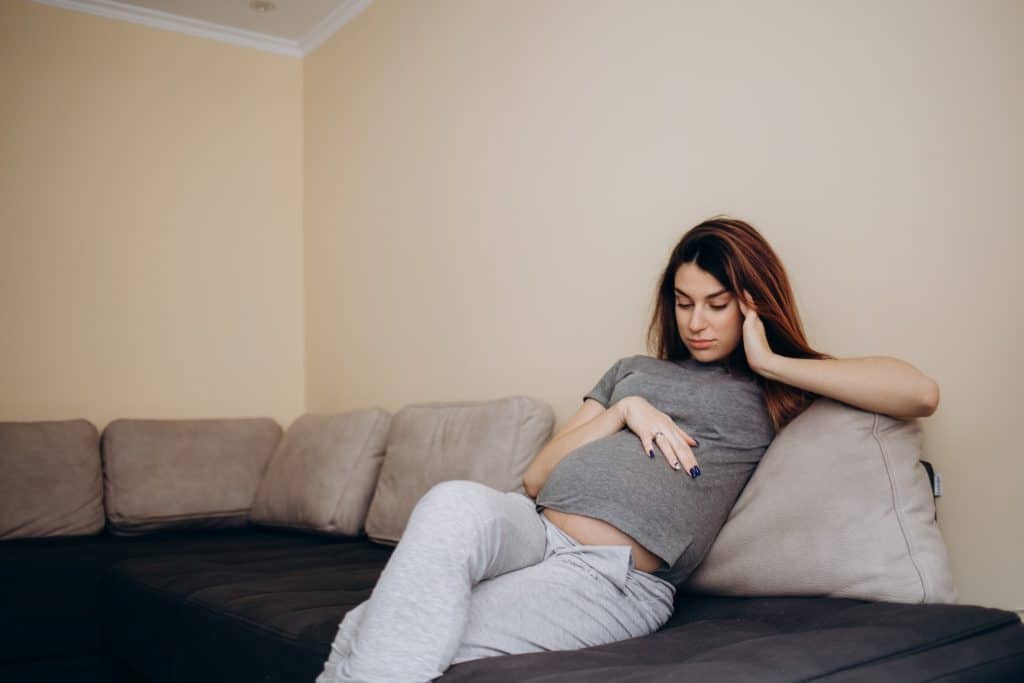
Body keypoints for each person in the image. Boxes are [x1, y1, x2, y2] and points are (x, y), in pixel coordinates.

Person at [317, 216, 940, 683]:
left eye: (718, 305)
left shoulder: (773, 387)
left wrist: (772, 357)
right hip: (530, 531)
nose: (697, 321)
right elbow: (535, 478)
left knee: (375, 628)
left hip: (611, 578)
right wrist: (623, 411)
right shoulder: (631, 371)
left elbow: (919, 392)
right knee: (451, 502)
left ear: (751, 304)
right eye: (684, 301)